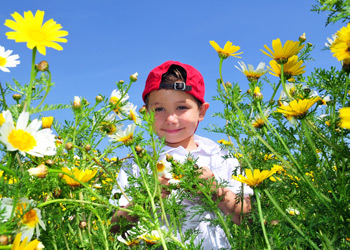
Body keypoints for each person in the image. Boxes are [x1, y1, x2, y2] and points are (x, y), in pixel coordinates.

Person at [109, 60, 253, 249]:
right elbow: (115, 228)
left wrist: (216, 190)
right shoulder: (136, 163)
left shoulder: (220, 156)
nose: (170, 119)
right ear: (146, 114)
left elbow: (246, 217)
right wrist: (147, 197)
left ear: (201, 111)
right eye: (159, 109)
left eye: (181, 107)